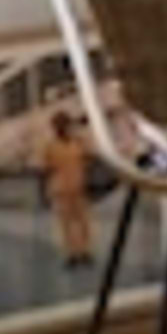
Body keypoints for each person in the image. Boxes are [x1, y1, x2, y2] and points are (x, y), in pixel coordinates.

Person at [41, 106, 99, 268]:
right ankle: (72, 254)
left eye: (65, 124)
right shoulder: (50, 146)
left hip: (79, 187)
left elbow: (91, 158)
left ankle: (86, 251)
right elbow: (46, 170)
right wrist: (44, 194)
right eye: (59, 125)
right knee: (66, 224)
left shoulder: (78, 143)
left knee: (84, 222)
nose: (62, 128)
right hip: (60, 190)